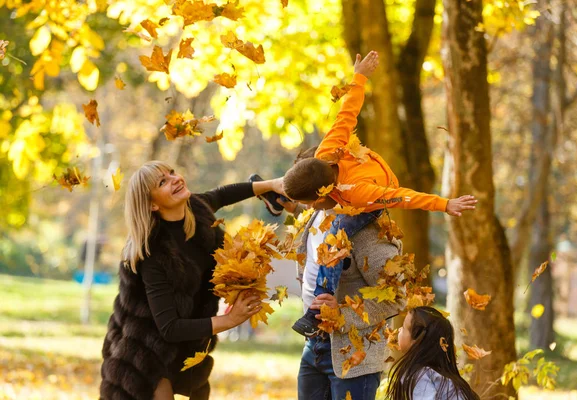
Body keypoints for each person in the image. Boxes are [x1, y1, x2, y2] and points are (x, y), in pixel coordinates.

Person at [276, 51, 477, 337]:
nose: (306, 208)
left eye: (308, 203)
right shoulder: (325, 153)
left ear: (322, 197)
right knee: (333, 227)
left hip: (374, 193)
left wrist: (445, 204)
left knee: (337, 235)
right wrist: (360, 77)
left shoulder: (361, 194)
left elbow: (404, 196)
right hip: (355, 177)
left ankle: (317, 309)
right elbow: (347, 113)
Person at [100, 160, 282, 400]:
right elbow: (169, 328)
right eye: (162, 182)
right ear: (152, 204)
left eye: (172, 172)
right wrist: (229, 319)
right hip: (142, 351)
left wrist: (273, 185)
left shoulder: (196, 209)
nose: (174, 179)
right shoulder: (153, 252)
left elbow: (222, 194)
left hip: (186, 346)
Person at [285, 196, 403, 400]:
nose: (305, 204)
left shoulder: (367, 232)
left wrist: (341, 313)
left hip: (355, 356)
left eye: (307, 196)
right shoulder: (313, 217)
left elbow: (397, 297)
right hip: (313, 345)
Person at [387, 307, 480, 400]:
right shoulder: (436, 374)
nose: (399, 330)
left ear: (417, 340)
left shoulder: (419, 375)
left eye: (403, 328)